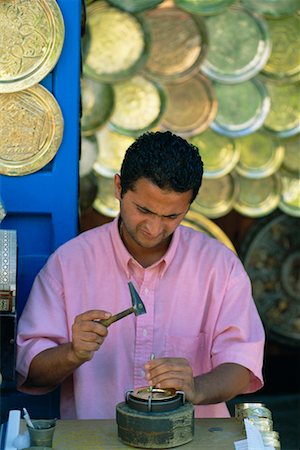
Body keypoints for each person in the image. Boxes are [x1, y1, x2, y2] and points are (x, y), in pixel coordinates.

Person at [16, 131, 265, 420]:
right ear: (119, 187)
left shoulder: (220, 267)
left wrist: (196, 387)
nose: (154, 228)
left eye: (171, 216)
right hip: (99, 441)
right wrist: (73, 353)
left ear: (188, 206)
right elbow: (30, 370)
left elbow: (241, 364)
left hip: (192, 440)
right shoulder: (69, 264)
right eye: (143, 210)